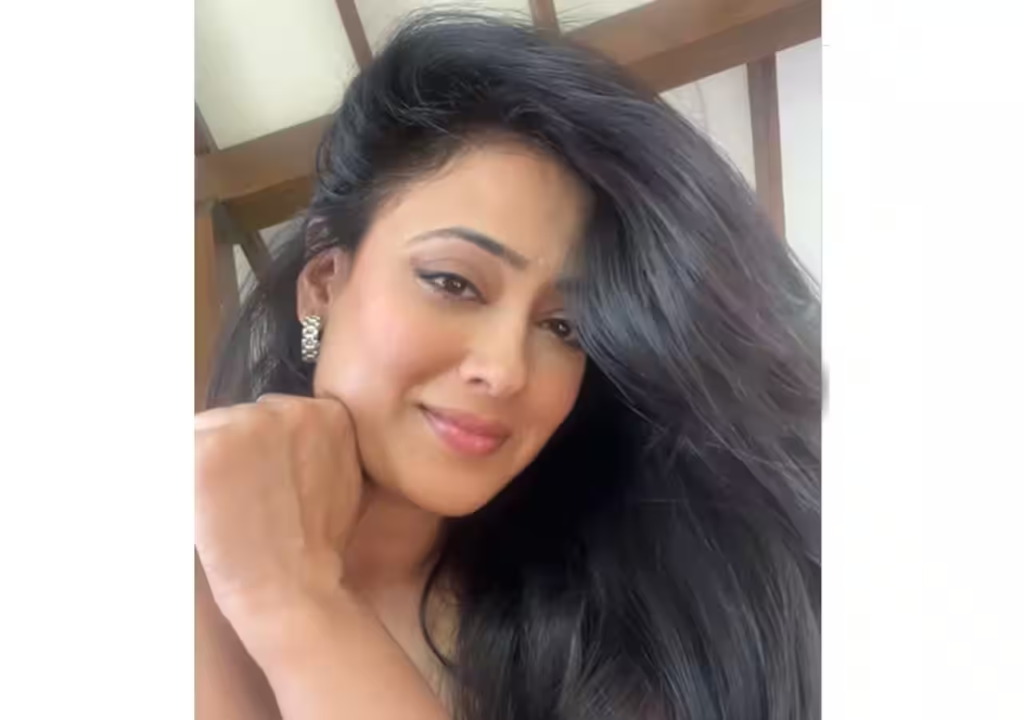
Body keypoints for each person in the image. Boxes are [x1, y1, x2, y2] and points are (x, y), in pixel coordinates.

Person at [194, 12, 821, 720]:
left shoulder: (621, 634)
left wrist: (299, 606)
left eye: (565, 327)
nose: (506, 370)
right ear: (323, 283)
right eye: (453, 282)